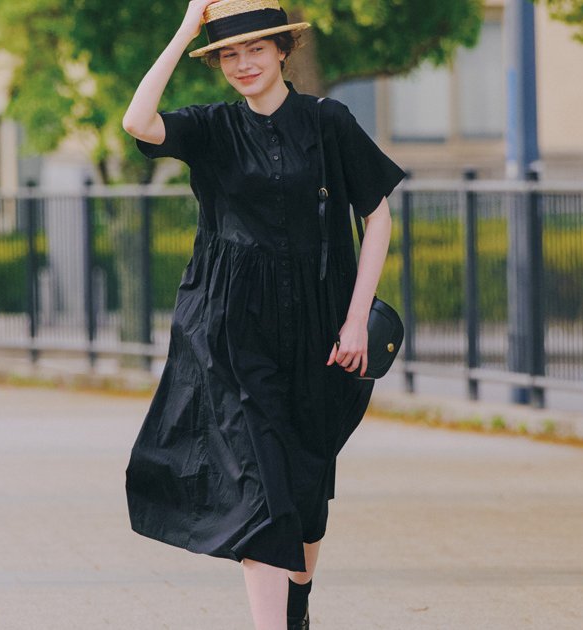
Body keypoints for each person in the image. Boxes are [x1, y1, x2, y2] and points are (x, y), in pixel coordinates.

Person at [122, 1, 406, 628]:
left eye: (255, 49)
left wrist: (356, 318)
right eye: (228, 54)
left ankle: (297, 603)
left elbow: (377, 214)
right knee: (261, 488)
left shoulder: (328, 122)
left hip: (321, 329)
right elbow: (137, 120)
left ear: (282, 50)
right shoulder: (213, 127)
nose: (243, 63)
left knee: (306, 491)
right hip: (231, 331)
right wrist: (187, 28)